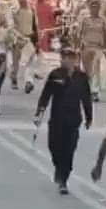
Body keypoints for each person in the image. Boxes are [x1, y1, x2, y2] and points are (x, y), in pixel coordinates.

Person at [34, 47, 93, 194]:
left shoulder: (82, 77)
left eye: (70, 58)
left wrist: (89, 117)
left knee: (69, 150)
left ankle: (63, 179)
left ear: (75, 60)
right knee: (54, 147)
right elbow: (46, 95)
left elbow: (86, 98)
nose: (67, 60)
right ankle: (58, 167)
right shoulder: (55, 75)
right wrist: (40, 111)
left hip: (73, 120)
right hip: (57, 119)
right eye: (64, 57)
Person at [76, 0, 106, 102]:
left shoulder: (102, 20)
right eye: (92, 6)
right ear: (89, 7)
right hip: (86, 46)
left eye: (97, 6)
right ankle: (86, 90)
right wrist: (78, 47)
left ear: (99, 8)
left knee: (96, 68)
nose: (94, 8)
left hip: (98, 47)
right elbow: (79, 33)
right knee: (87, 71)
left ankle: (95, 91)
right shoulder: (85, 19)